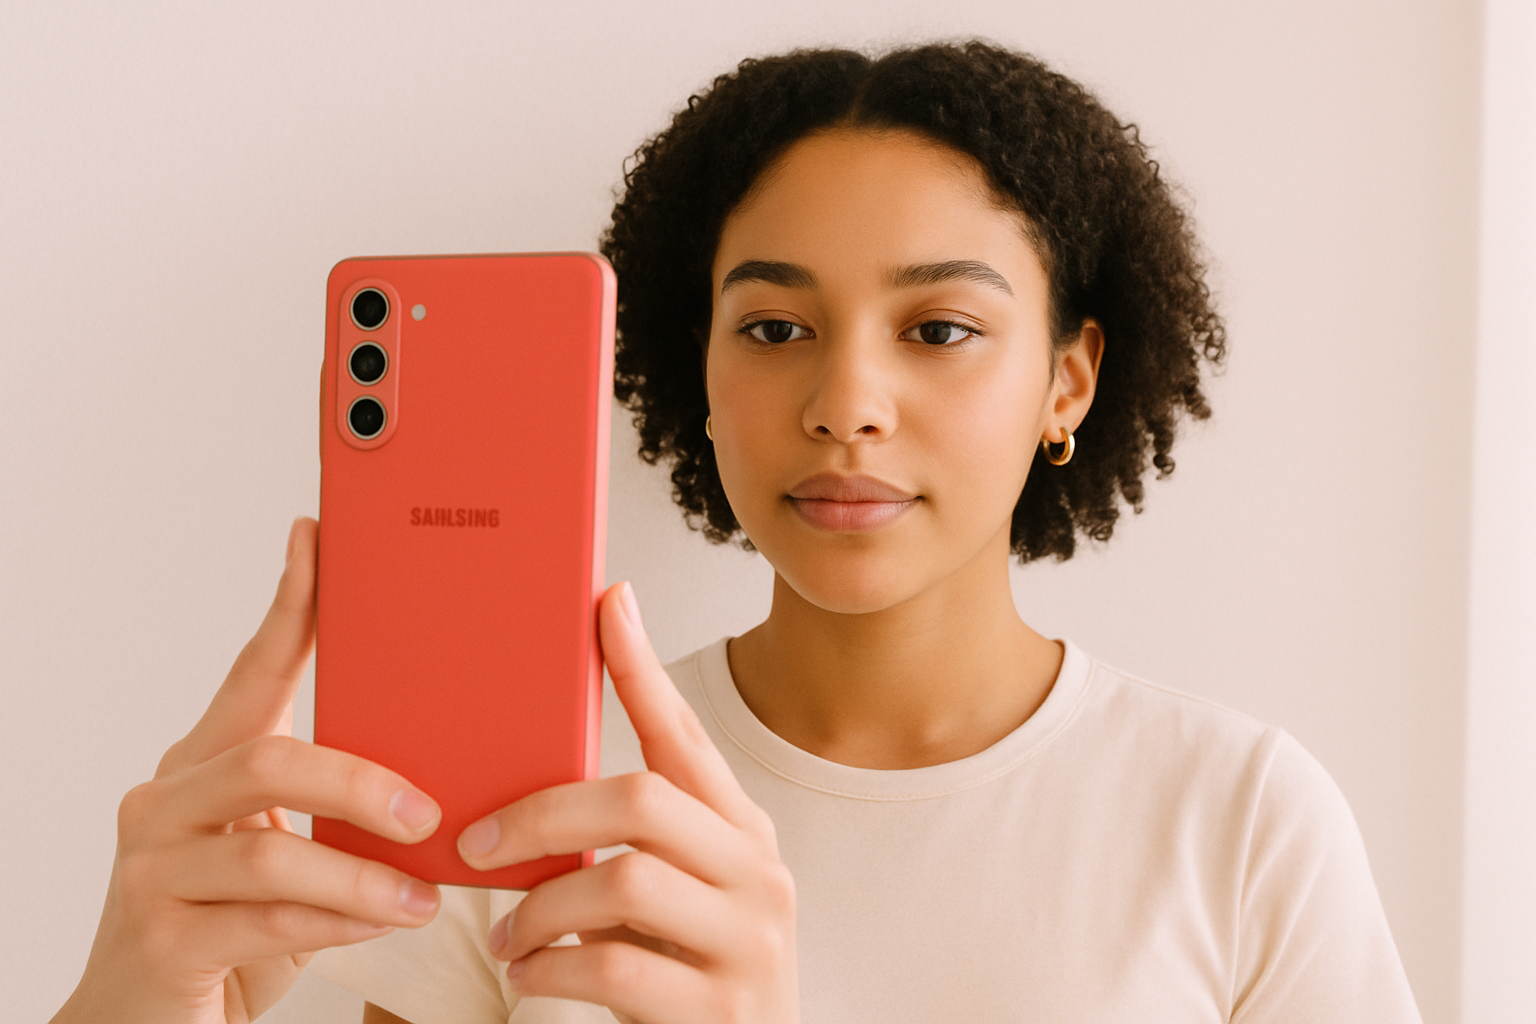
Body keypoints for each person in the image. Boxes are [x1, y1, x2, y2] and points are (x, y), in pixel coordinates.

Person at [50, 40, 1422, 1024]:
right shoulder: (533, 809)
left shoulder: (1240, 821)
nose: (845, 406)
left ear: (1067, 378)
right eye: (775, 329)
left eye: (939, 329)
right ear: (690, 368)